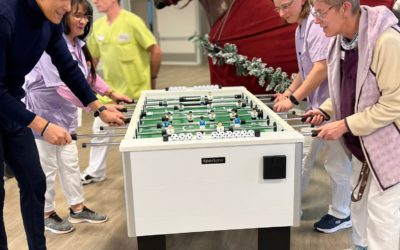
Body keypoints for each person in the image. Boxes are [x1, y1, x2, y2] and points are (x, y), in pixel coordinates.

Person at [0, 0, 125, 248]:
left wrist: (98, 107)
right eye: (64, 0)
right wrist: (43, 126)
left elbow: (68, 68)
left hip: (12, 107)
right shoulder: (5, 15)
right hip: (7, 102)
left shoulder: (51, 22)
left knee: (35, 184)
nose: (68, 8)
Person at [306, 1, 400, 249]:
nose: (316, 20)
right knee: (359, 205)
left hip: (390, 147)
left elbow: (393, 105)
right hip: (362, 142)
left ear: (345, 7)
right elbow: (348, 88)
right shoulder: (341, 40)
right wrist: (325, 109)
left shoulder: (387, 41)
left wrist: (344, 125)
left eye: (321, 12)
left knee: (383, 216)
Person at [272, 0, 352, 233]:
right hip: (316, 108)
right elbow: (305, 68)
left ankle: (341, 214)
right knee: (304, 156)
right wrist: (288, 92)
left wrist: (294, 99)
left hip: (333, 107)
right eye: (277, 8)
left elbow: (321, 68)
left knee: (337, 163)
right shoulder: (301, 27)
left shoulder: (315, 27)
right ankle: (290, 206)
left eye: (285, 6)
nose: (281, 13)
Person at [80, 0, 162, 184]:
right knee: (99, 129)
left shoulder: (132, 22)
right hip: (110, 95)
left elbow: (155, 51)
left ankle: (146, 175)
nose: (95, 2)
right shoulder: (99, 26)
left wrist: (152, 78)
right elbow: (93, 60)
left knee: (140, 135)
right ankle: (95, 171)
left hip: (136, 92)